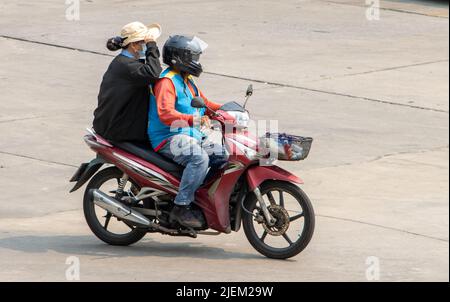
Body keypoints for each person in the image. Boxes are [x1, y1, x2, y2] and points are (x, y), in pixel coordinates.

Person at [148, 35, 228, 228]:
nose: (196, 62)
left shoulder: (186, 79)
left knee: (223, 155)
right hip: (169, 137)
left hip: (190, 135)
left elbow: (205, 103)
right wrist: (194, 119)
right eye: (193, 57)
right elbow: (166, 114)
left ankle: (200, 197)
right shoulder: (166, 82)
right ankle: (181, 207)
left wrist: (228, 110)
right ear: (180, 58)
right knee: (199, 159)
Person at [93, 21, 162, 143]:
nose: (146, 46)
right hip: (118, 130)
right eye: (144, 43)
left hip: (110, 124)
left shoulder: (126, 62)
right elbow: (153, 73)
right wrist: (152, 46)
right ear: (134, 45)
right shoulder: (128, 66)